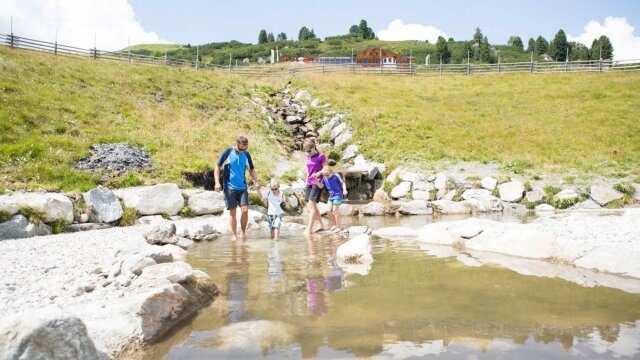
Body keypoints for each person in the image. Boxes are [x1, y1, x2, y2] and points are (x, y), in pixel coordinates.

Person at [214, 136, 261, 241]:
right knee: (233, 212)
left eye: (246, 147)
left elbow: (251, 169)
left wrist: (257, 181)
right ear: (237, 144)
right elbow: (217, 166)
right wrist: (217, 183)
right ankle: (234, 235)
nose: (245, 149)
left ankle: (243, 233)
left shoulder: (246, 154)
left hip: (242, 187)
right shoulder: (227, 152)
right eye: (243, 147)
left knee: (245, 210)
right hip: (229, 187)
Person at [303, 139, 327, 235]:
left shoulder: (321, 156)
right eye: (306, 151)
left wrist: (318, 173)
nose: (308, 153)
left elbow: (326, 169)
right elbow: (308, 170)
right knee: (311, 206)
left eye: (309, 151)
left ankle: (309, 229)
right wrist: (306, 181)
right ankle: (321, 225)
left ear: (314, 147)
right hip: (309, 182)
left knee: (312, 205)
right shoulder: (308, 156)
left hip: (318, 182)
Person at [315, 165, 348, 232]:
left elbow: (342, 183)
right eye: (325, 175)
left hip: (338, 195)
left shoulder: (336, 176)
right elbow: (321, 186)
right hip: (331, 197)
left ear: (331, 172)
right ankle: (334, 225)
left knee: (335, 211)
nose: (326, 176)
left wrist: (344, 190)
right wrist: (315, 180)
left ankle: (339, 227)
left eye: (328, 175)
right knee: (328, 211)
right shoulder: (324, 178)